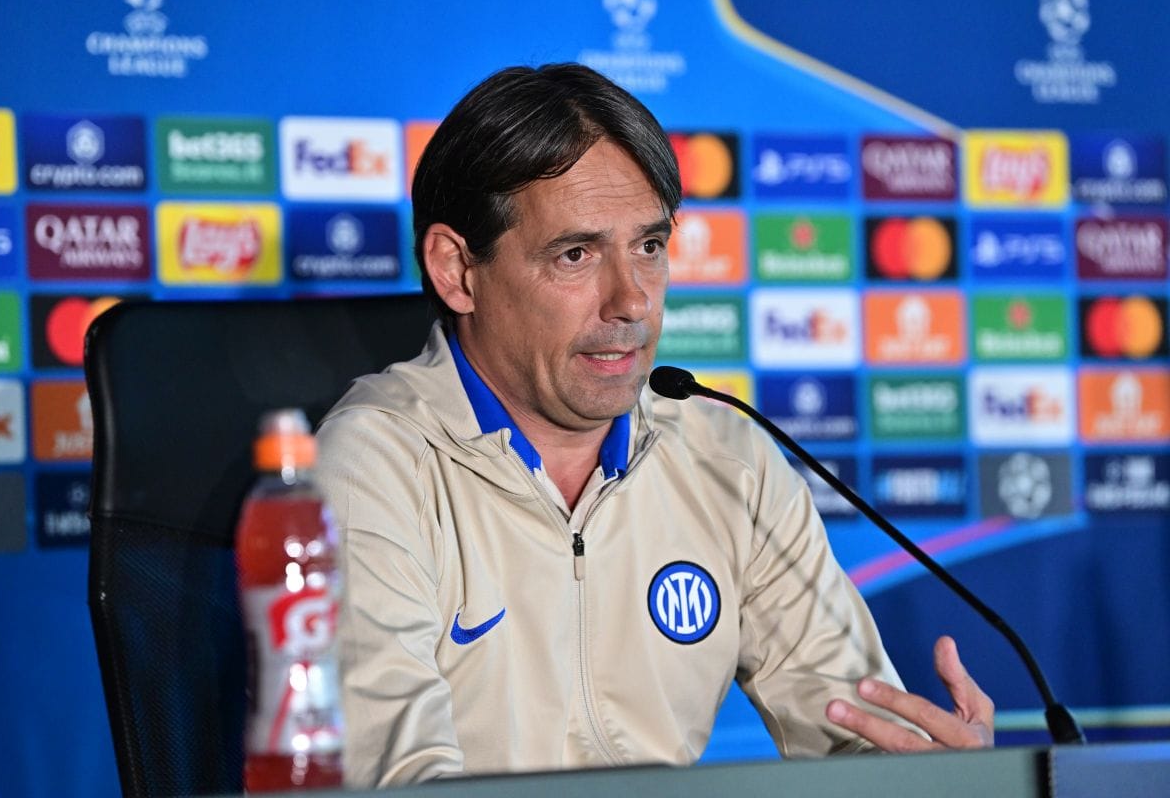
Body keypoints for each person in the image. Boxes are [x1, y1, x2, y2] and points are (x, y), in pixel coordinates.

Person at [314, 63, 993, 789]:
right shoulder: (374, 464)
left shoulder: (728, 461)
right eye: (576, 254)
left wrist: (931, 780)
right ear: (457, 270)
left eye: (649, 247)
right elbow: (397, 783)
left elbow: (855, 738)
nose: (632, 301)